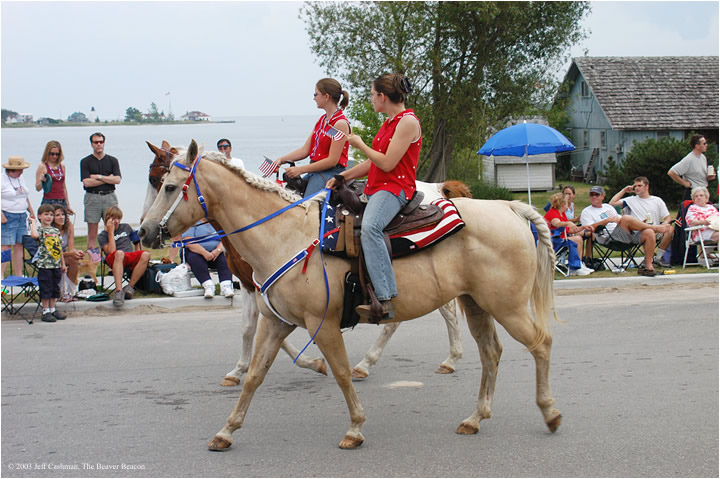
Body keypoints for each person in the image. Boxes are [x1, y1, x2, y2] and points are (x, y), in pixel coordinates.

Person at [326, 73, 418, 320]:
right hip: (377, 187)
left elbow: (387, 163)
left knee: (370, 228)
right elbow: (371, 163)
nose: (370, 99)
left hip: (395, 189)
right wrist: (342, 177)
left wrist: (360, 144)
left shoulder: (407, 122)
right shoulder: (390, 122)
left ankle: (385, 299)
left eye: (371, 94)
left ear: (382, 96)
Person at [273, 78, 351, 196]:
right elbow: (305, 150)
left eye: (316, 94)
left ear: (326, 96)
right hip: (316, 171)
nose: (314, 98)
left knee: (306, 206)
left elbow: (332, 160)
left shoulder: (339, 124)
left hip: (331, 172)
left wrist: (300, 169)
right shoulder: (322, 121)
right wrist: (281, 160)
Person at [581, 185, 671, 277]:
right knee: (627, 218)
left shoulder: (608, 207)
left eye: (597, 194)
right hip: (610, 237)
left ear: (602, 196)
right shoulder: (587, 212)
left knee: (649, 232)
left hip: (625, 234)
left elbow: (621, 220)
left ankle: (648, 267)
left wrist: (639, 223)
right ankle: (656, 228)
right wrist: (606, 221)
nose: (594, 197)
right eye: (592, 194)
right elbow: (588, 228)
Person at [609, 176, 674, 268]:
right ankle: (649, 260)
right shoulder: (630, 200)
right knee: (648, 231)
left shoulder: (657, 200)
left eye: (640, 185)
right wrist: (624, 190)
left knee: (670, 229)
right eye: (635, 186)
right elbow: (612, 204)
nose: (637, 188)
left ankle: (658, 258)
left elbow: (668, 217)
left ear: (647, 187)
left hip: (656, 230)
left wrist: (665, 223)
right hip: (638, 233)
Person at [80, 132, 121, 262]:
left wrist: (98, 177)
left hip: (109, 197)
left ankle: (112, 260)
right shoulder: (85, 161)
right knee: (92, 233)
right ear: (91, 144)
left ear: (104, 143)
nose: (99, 144)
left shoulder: (112, 160)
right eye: (96, 142)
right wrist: (108, 179)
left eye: (101, 142)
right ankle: (94, 262)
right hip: (92, 197)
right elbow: (86, 182)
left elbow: (117, 179)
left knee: (111, 228)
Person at [97, 206, 150, 307]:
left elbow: (137, 242)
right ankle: (118, 291)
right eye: (113, 218)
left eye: (118, 218)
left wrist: (138, 252)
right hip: (114, 259)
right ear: (107, 219)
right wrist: (111, 232)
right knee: (119, 253)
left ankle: (130, 287)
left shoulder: (126, 227)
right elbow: (111, 251)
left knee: (146, 254)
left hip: (128, 256)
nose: (116, 221)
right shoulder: (103, 235)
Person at [29, 204, 67, 322]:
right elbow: (34, 235)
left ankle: (53, 309)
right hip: (45, 265)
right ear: (40, 216)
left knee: (55, 288)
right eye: (46, 214)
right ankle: (45, 311)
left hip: (55, 264)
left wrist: (63, 263)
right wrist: (33, 223)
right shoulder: (40, 230)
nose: (49, 217)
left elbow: (59, 248)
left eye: (51, 215)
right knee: (46, 287)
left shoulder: (55, 230)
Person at [2, 156, 35, 279]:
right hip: (8, 214)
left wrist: (30, 210)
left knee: (19, 244)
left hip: (21, 214)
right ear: (12, 169)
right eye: (18, 170)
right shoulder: (2, 179)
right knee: (5, 245)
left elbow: (25, 196)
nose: (21, 172)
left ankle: (19, 273)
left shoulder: (21, 178)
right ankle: (1, 274)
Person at [544, 193, 594, 276]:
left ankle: (579, 264)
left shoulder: (562, 213)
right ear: (563, 204)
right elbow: (556, 223)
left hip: (561, 239)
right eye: (567, 202)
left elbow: (569, 230)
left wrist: (583, 227)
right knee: (577, 239)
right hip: (553, 241)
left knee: (580, 237)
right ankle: (575, 268)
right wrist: (567, 223)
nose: (568, 204)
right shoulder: (553, 213)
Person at [181, 221, 235, 298]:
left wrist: (217, 251)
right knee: (194, 258)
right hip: (197, 251)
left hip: (216, 252)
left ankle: (226, 285)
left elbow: (225, 238)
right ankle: (208, 286)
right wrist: (204, 253)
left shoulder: (218, 222)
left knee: (225, 258)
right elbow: (188, 241)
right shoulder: (192, 223)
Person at [668, 134, 716, 201]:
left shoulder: (703, 157)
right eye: (704, 143)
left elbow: (700, 175)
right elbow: (671, 172)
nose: (706, 145)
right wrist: (684, 182)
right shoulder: (689, 159)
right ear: (697, 146)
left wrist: (709, 177)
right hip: (693, 192)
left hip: (703, 190)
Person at [35, 140, 74, 214]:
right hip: (49, 201)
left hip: (62, 200)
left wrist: (68, 204)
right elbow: (37, 188)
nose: (54, 156)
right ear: (47, 153)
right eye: (52, 154)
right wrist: (42, 182)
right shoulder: (42, 166)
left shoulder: (62, 166)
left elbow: (63, 186)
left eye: (57, 154)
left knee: (64, 224)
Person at [52, 205, 85, 284]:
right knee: (72, 257)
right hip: (49, 258)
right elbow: (53, 253)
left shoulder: (68, 226)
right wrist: (71, 253)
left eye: (63, 214)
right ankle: (60, 289)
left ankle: (70, 289)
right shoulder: (50, 230)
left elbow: (71, 248)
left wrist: (77, 252)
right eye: (57, 215)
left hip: (61, 256)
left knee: (74, 259)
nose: (61, 217)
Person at [685, 187, 719, 262]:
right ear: (693, 199)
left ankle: (706, 253)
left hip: (714, 229)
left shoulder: (711, 207)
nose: (699, 197)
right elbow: (692, 222)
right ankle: (705, 253)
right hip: (700, 232)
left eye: (701, 195)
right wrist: (703, 222)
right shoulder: (692, 208)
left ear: (706, 197)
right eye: (696, 196)